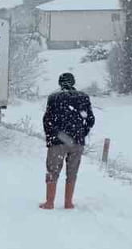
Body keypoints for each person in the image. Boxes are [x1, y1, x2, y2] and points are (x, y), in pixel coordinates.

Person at [40, 72, 95, 210]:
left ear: (60, 83)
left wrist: (51, 136)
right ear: (73, 82)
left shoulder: (53, 98)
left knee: (52, 171)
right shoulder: (83, 97)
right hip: (77, 142)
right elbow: (90, 120)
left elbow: (47, 121)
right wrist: (82, 133)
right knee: (72, 172)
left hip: (57, 142)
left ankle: (49, 202)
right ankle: (68, 203)